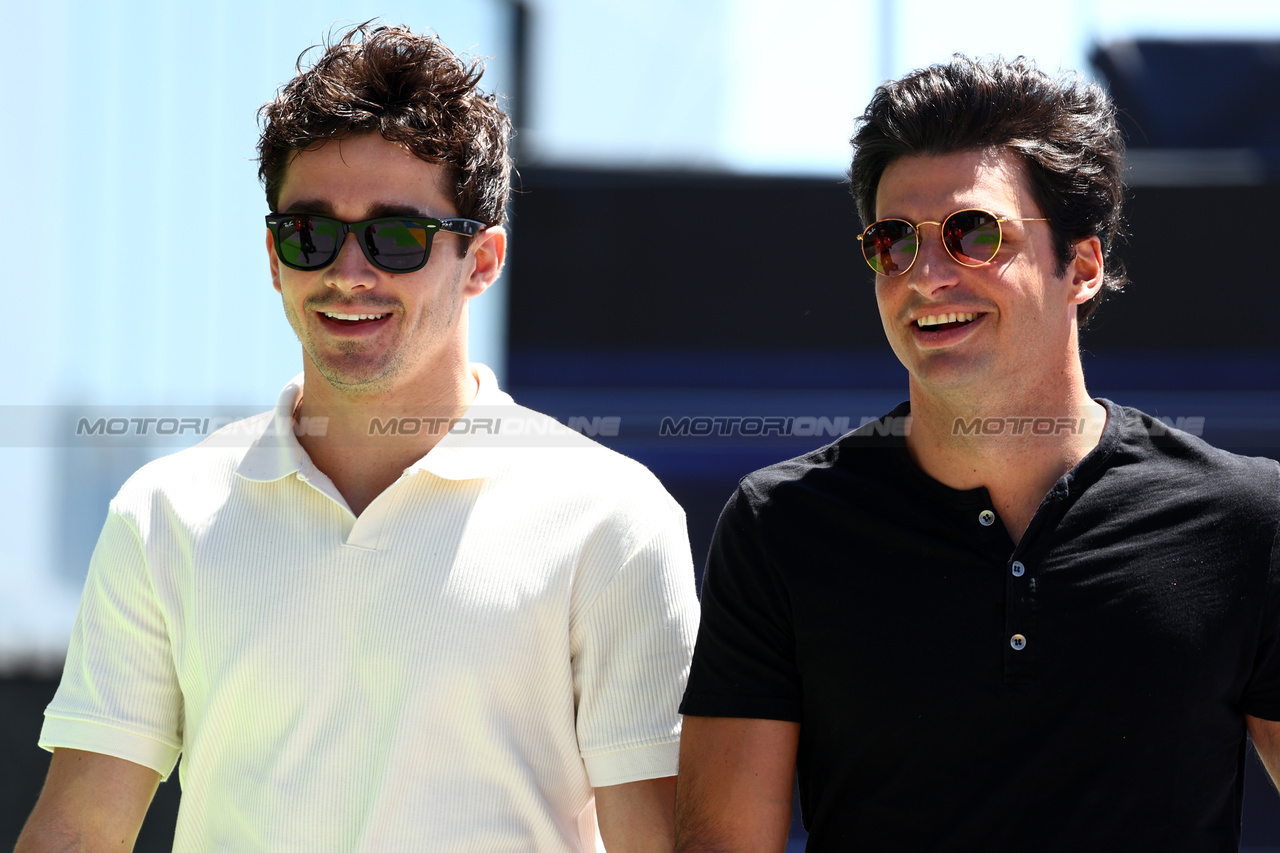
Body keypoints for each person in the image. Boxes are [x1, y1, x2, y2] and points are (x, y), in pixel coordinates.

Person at [17, 24, 698, 853]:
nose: (348, 272)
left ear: (481, 260)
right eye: (311, 233)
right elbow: (78, 832)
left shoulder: (611, 518)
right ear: (274, 255)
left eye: (397, 237)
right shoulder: (164, 513)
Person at [674, 55, 1280, 852]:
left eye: (972, 234)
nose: (924, 275)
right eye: (893, 241)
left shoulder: (1246, 521)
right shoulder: (781, 525)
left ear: (1084, 266)